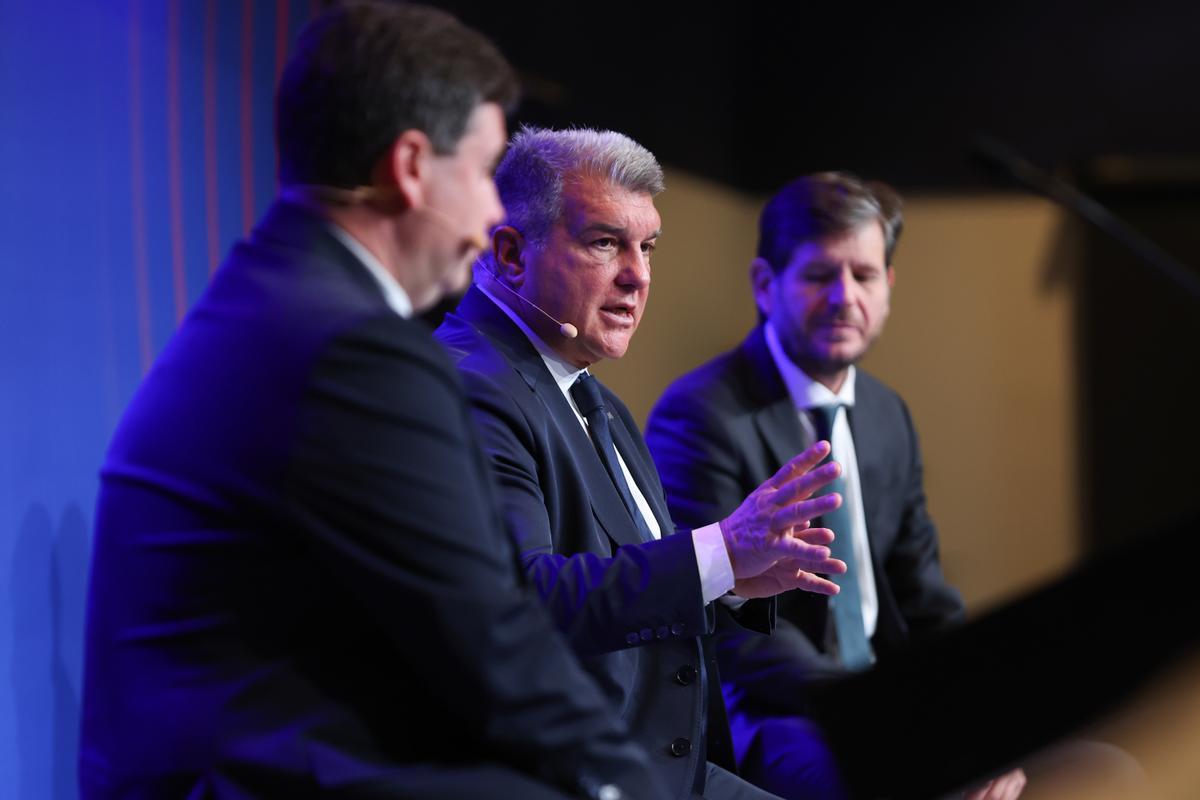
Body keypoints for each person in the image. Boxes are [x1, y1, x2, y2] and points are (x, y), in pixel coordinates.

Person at [80, 5, 670, 798]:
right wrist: (621, 787)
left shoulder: (275, 298)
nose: (493, 218)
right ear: (412, 167)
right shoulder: (353, 349)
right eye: (482, 172)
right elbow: (492, 640)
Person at [434, 128, 849, 800]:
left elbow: (637, 587)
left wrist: (734, 578)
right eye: (605, 242)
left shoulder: (599, 401)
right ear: (510, 254)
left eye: (647, 247)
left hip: (663, 770)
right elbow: (526, 602)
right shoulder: (470, 384)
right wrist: (717, 553)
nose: (638, 275)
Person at [645, 172, 1024, 800]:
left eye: (865, 275)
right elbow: (726, 622)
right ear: (766, 286)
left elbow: (923, 592)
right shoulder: (701, 413)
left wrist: (977, 713)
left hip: (888, 697)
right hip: (770, 709)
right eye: (821, 275)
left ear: (888, 287)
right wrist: (884, 715)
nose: (846, 297)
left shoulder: (886, 414)